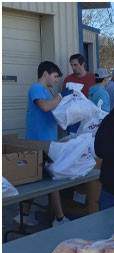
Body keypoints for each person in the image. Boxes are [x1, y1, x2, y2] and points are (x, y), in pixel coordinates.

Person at [19, 61, 69, 227]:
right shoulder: (36, 89)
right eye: (55, 76)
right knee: (52, 180)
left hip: (48, 141)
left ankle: (24, 216)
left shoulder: (48, 91)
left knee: (35, 180)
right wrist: (61, 96)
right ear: (45, 73)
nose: (56, 80)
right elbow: (46, 107)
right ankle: (60, 219)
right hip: (38, 142)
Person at [62, 54, 95, 134]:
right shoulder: (68, 79)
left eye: (75, 65)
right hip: (73, 119)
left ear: (83, 64)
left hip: (89, 118)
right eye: (71, 65)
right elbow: (63, 99)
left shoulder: (93, 78)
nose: (73, 68)